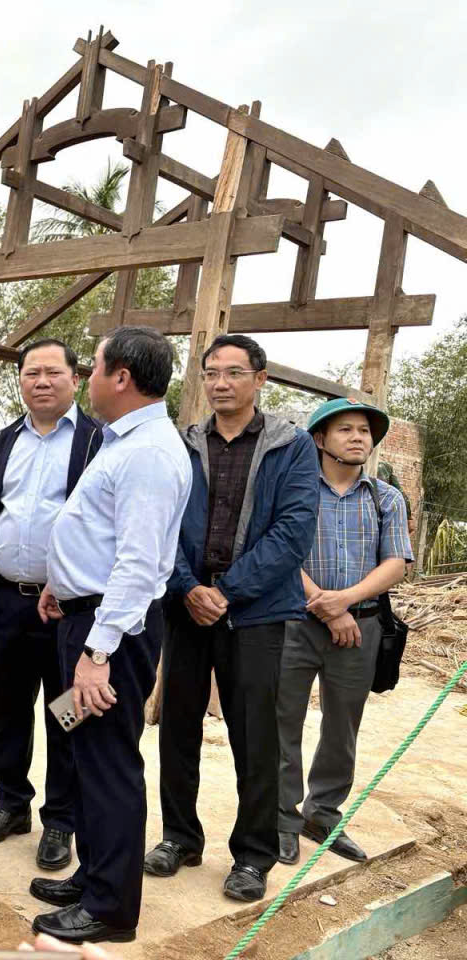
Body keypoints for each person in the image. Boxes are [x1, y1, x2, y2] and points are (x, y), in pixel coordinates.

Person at [32, 326, 191, 945]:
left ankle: (110, 908)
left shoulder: (148, 452)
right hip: (85, 617)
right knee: (81, 746)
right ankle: (95, 874)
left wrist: (97, 652)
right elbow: (100, 535)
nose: (86, 379)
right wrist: (61, 584)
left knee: (109, 762)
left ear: (121, 377)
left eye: (93, 367)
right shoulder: (124, 439)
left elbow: (137, 562)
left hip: (111, 634)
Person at [146, 334, 318, 902]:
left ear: (260, 379)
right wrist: (188, 587)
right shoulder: (183, 442)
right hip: (186, 608)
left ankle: (252, 854)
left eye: (234, 372)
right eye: (212, 373)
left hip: (256, 612)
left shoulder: (290, 446)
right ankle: (179, 836)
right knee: (178, 726)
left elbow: (293, 531)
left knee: (255, 736)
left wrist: (227, 592)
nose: (221, 383)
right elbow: (162, 523)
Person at [0, 338, 103, 873]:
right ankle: (11, 804)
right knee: (9, 707)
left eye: (52, 372)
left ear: (75, 379)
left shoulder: (97, 441)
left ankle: (61, 820)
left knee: (66, 712)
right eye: (31, 373)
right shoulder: (1, 442)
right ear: (20, 380)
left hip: (70, 609)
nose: (41, 382)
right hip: (8, 601)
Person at [277, 398, 413, 866]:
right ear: (319, 439)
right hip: (296, 622)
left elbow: (395, 563)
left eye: (364, 431)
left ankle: (322, 815)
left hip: (361, 627)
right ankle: (282, 818)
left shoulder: (384, 498)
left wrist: (346, 602)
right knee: (282, 721)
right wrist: (327, 605)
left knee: (342, 727)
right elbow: (281, 550)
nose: (358, 437)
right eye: (345, 429)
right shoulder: (295, 491)